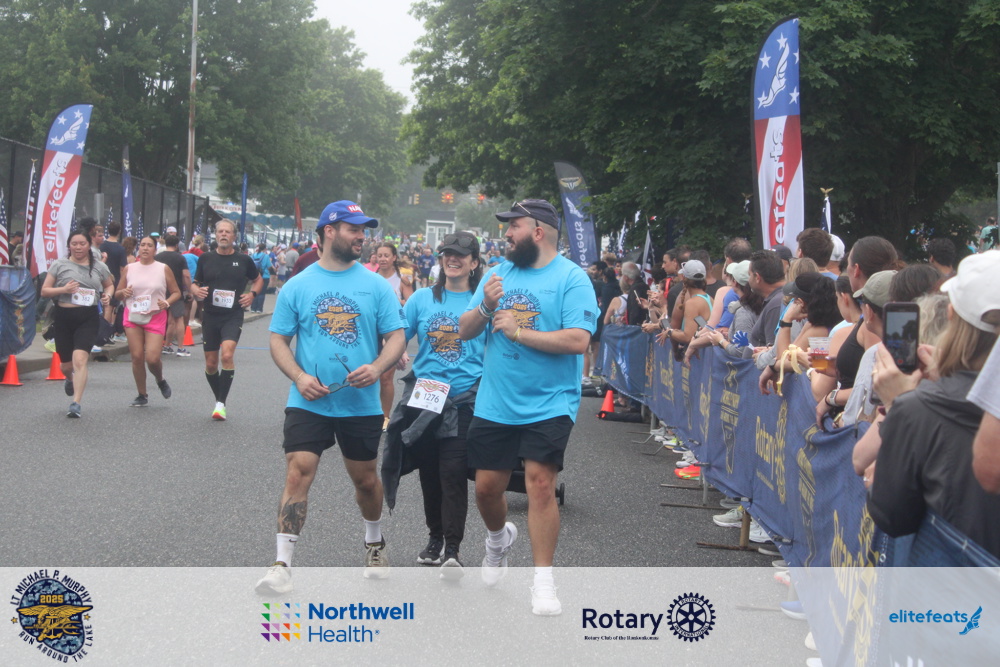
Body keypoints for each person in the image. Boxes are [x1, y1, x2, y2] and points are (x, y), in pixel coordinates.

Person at [254, 200, 406, 594]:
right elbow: (278, 339)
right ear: (329, 231)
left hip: (360, 403)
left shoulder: (375, 285)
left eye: (363, 231)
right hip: (309, 399)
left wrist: (377, 367)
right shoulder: (298, 285)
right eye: (354, 229)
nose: (361, 237)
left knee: (366, 481)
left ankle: (374, 542)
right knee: (298, 470)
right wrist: (299, 376)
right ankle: (281, 565)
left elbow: (397, 336)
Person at [458, 199, 597, 616]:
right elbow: (464, 331)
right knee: (487, 489)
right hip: (496, 401)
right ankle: (498, 539)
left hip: (550, 402)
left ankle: (543, 582)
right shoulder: (498, 275)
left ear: (537, 232)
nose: (505, 234)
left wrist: (520, 333)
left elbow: (578, 340)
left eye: (513, 226)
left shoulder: (572, 278)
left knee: (540, 484)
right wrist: (485, 307)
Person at [867, 251, 1000, 558]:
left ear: (951, 316)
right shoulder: (925, 403)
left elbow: (891, 515)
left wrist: (898, 405)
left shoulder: (917, 409)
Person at [382, 231, 486, 578]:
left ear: (474, 262)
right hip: (425, 397)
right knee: (429, 472)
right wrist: (393, 355)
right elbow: (399, 335)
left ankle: (453, 549)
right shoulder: (422, 299)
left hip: (464, 399)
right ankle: (435, 538)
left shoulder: (481, 303)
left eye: (460, 255)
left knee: (452, 472)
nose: (452, 259)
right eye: (447, 254)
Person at [191, 220, 264, 421]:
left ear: (234, 236)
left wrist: (252, 295)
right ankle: (220, 400)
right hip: (210, 315)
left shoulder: (244, 260)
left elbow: (258, 279)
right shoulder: (205, 258)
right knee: (211, 363)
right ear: (215, 235)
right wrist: (196, 290)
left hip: (233, 314)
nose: (223, 234)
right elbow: (195, 283)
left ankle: (220, 404)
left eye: (227, 232)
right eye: (220, 231)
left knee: (227, 354)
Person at [39, 230, 115, 417]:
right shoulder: (60, 265)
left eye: (82, 243)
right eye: (74, 244)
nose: (78, 247)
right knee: (66, 366)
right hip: (64, 317)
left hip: (88, 317)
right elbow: (45, 291)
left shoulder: (99, 266)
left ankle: (76, 403)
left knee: (80, 359)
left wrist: (107, 296)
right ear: (69, 246)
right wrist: (63, 289)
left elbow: (109, 284)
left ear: (89, 245)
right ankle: (69, 378)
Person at [117, 236, 181, 407]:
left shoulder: (163, 268)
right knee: (137, 356)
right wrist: (123, 293)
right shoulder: (130, 268)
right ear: (138, 248)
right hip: (133, 315)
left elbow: (176, 292)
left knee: (152, 358)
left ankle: (160, 379)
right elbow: (117, 293)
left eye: (149, 245)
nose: (145, 248)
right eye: (143, 245)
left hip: (155, 315)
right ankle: (142, 394)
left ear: (155, 249)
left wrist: (167, 302)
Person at [374, 242, 415, 428]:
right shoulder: (371, 279)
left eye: (386, 255)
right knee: (368, 375)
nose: (382, 259)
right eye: (379, 255)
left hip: (392, 332)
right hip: (373, 332)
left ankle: (385, 417)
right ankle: (367, 414)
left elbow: (411, 304)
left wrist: (395, 300)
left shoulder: (402, 280)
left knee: (385, 377)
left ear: (394, 258)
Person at [155, 234, 192, 356]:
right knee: (178, 319)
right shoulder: (180, 258)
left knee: (167, 320)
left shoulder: (157, 257)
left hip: (160, 291)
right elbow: (186, 275)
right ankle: (180, 348)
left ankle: (166, 346)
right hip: (175, 292)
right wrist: (190, 291)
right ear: (176, 245)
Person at [100, 221, 129, 340]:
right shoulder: (121, 249)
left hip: (100, 278)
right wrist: (124, 283)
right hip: (114, 280)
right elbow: (123, 269)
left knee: (101, 307)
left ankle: (102, 332)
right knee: (110, 307)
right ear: (119, 232)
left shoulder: (101, 245)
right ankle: (105, 334)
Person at [250, 243, 272, 313]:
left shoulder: (253, 255)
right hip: (264, 276)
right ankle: (259, 309)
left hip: (255, 276)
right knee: (262, 293)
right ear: (265, 249)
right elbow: (269, 266)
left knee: (254, 291)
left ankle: (253, 308)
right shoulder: (266, 256)